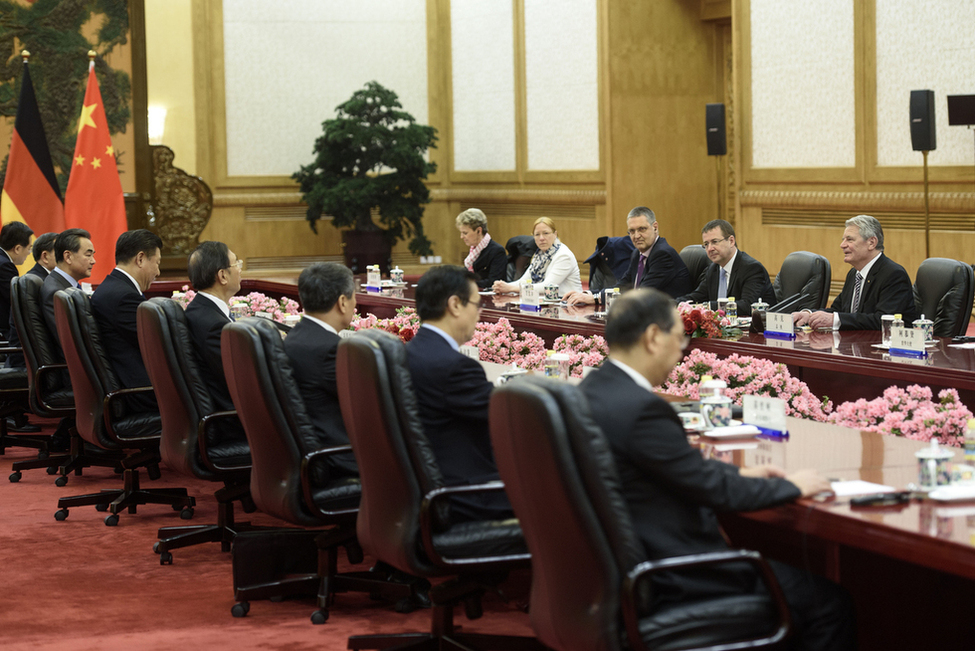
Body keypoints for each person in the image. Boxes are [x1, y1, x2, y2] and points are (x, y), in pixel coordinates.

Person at [580, 288, 856, 651]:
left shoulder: (591, 388)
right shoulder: (643, 409)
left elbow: (682, 471)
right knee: (828, 604)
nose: (682, 352)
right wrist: (792, 486)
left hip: (618, 571)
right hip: (676, 572)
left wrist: (742, 474)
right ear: (652, 338)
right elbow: (712, 490)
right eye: (679, 339)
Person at [408, 265, 514, 522]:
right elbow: (507, 420)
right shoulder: (454, 367)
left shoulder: (410, 351)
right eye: (477, 305)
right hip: (464, 494)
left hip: (420, 490)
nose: (479, 314)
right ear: (455, 304)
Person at [283, 262, 358, 481]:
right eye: (354, 297)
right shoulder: (330, 349)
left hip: (306, 454)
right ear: (342, 302)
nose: (356, 304)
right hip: (338, 457)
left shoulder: (295, 336)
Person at [793, 215, 915, 331]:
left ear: (871, 243)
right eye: (843, 240)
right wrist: (809, 315)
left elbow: (883, 320)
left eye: (849, 240)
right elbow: (838, 310)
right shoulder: (854, 274)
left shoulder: (893, 274)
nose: (842, 245)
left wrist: (835, 319)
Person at [90, 230, 162, 413]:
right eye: (157, 263)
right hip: (139, 392)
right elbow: (157, 345)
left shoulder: (113, 287)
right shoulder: (124, 297)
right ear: (140, 259)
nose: (158, 272)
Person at [564, 206, 692, 305]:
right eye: (632, 231)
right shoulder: (637, 253)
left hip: (667, 321)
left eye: (642, 229)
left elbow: (641, 293)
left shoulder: (663, 254)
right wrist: (590, 293)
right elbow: (623, 285)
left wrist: (596, 299)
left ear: (655, 227)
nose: (636, 236)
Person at [184, 241, 242, 418]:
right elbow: (240, 379)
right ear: (222, 276)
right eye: (236, 263)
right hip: (232, 417)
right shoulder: (214, 326)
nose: (240, 269)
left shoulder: (198, 310)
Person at [677, 219, 775, 310]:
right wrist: (671, 305)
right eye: (706, 244)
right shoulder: (713, 269)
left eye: (715, 242)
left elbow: (747, 305)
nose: (710, 248)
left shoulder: (752, 268)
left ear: (731, 241)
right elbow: (696, 296)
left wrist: (708, 306)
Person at [5, 231, 57, 372]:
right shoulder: (39, 284)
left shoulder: (39, 278)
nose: (67, 257)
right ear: (45, 256)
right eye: (62, 252)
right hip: (26, 364)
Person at [492, 217, 582, 296]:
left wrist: (510, 288)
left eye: (546, 233)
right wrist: (502, 286)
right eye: (537, 234)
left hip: (570, 306)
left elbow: (547, 287)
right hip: (546, 304)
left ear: (555, 234)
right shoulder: (539, 255)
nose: (541, 238)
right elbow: (523, 281)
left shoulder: (564, 256)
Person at [41, 228, 95, 348]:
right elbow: (73, 343)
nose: (93, 261)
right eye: (88, 255)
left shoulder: (63, 284)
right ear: (68, 257)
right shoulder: (57, 293)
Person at [0, 221, 34, 340]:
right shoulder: (5, 266)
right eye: (29, 248)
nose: (30, 253)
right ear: (18, 248)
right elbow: (16, 300)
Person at [456, 208, 506, 289]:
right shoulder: (473, 250)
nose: (461, 237)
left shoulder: (497, 251)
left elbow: (493, 282)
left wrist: (466, 283)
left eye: (465, 233)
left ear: (479, 231)